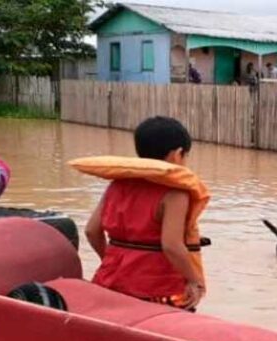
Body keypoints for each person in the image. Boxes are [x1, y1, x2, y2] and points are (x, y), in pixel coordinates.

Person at [85, 116, 207, 310]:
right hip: (159, 290)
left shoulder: (117, 184)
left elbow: (91, 231)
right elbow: (172, 246)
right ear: (178, 154)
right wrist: (195, 281)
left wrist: (112, 260)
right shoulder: (175, 193)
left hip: (110, 282)